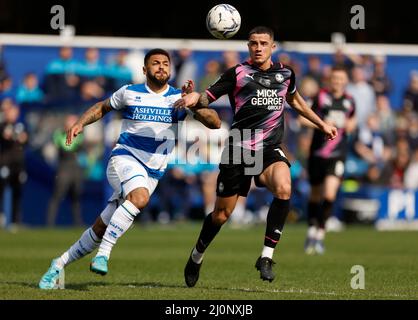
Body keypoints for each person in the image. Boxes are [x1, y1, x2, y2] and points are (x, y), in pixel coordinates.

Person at [38, 48, 221, 289]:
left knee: (101, 227)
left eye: (165, 63)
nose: (161, 67)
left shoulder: (179, 98)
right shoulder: (129, 92)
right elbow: (102, 107)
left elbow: (215, 123)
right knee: (140, 197)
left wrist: (194, 103)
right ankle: (103, 254)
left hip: (152, 172)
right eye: (155, 63)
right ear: (145, 70)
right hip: (125, 157)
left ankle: (58, 265)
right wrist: (79, 123)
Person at [174, 26, 337, 286]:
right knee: (221, 215)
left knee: (284, 188)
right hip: (239, 147)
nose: (258, 48)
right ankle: (197, 255)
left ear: (273, 47)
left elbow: (295, 101)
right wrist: (193, 97)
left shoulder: (286, 73)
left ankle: (266, 257)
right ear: (248, 46)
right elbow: (207, 97)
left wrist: (322, 124)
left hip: (270, 147)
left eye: (263, 43)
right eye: (253, 43)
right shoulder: (237, 73)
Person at [300, 67, 357, 255]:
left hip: (338, 154)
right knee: (315, 194)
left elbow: (352, 122)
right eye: (335, 78)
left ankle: (320, 236)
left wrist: (350, 125)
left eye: (341, 78)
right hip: (318, 153)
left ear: (345, 81)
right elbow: (302, 119)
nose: (338, 82)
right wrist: (322, 124)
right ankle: (310, 231)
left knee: (330, 194)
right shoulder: (320, 97)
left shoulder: (350, 101)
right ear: (330, 80)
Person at [46, 114, 84, 226]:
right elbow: (65, 145)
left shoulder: (79, 135)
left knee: (76, 196)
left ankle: (78, 223)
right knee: (57, 195)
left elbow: (78, 145)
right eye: (70, 122)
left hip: (75, 167)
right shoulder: (59, 134)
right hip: (63, 167)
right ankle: (50, 224)